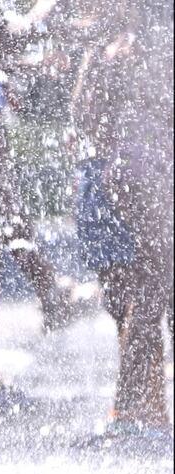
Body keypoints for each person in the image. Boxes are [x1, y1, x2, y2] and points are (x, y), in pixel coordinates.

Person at [69, 0, 173, 436]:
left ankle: (134, 410)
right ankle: (148, 407)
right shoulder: (105, 48)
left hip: (147, 182)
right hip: (117, 184)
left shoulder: (150, 43)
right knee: (126, 302)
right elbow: (83, 116)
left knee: (148, 296)